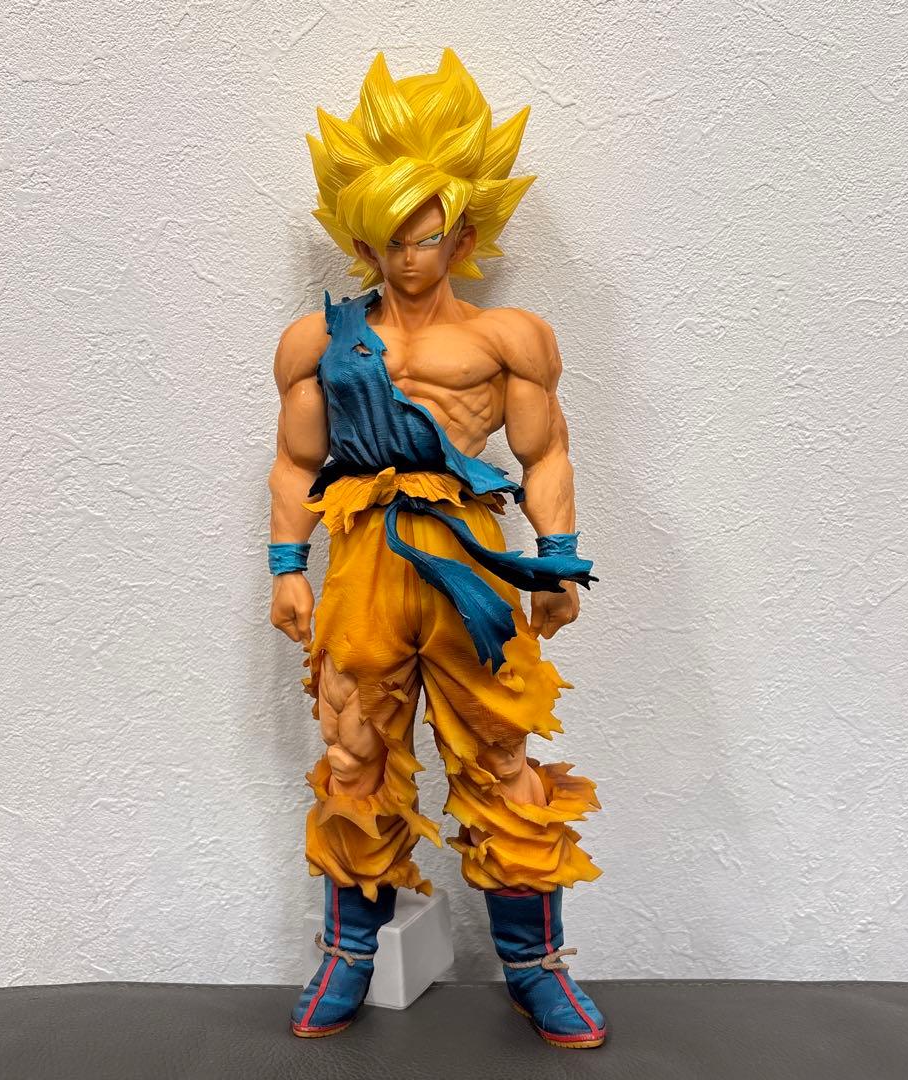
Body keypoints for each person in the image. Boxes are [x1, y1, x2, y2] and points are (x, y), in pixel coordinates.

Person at [267, 48, 606, 1049]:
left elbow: (545, 453)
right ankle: (349, 953)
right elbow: (295, 463)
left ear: (461, 231)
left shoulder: (509, 339)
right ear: (361, 238)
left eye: (425, 235)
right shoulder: (318, 342)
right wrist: (286, 569)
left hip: (470, 557)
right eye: (390, 238)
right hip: (364, 553)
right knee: (354, 751)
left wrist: (559, 559)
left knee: (502, 752)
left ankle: (534, 966)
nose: (409, 257)